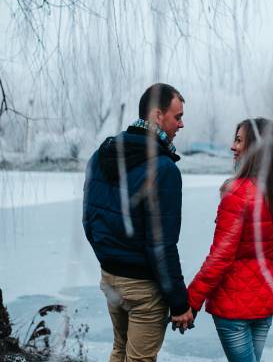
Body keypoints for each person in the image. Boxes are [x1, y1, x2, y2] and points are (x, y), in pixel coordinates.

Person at [83, 83, 194, 362]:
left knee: (120, 349)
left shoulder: (101, 155)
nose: (181, 124)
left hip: (110, 277)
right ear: (157, 115)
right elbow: (162, 245)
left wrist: (109, 259)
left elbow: (89, 220)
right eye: (177, 117)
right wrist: (179, 303)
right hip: (143, 287)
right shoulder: (164, 169)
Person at [187, 118, 273, 362]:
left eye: (239, 141)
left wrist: (190, 301)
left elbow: (220, 257)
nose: (233, 146)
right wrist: (264, 290)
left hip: (233, 310)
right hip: (263, 305)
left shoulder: (237, 194)